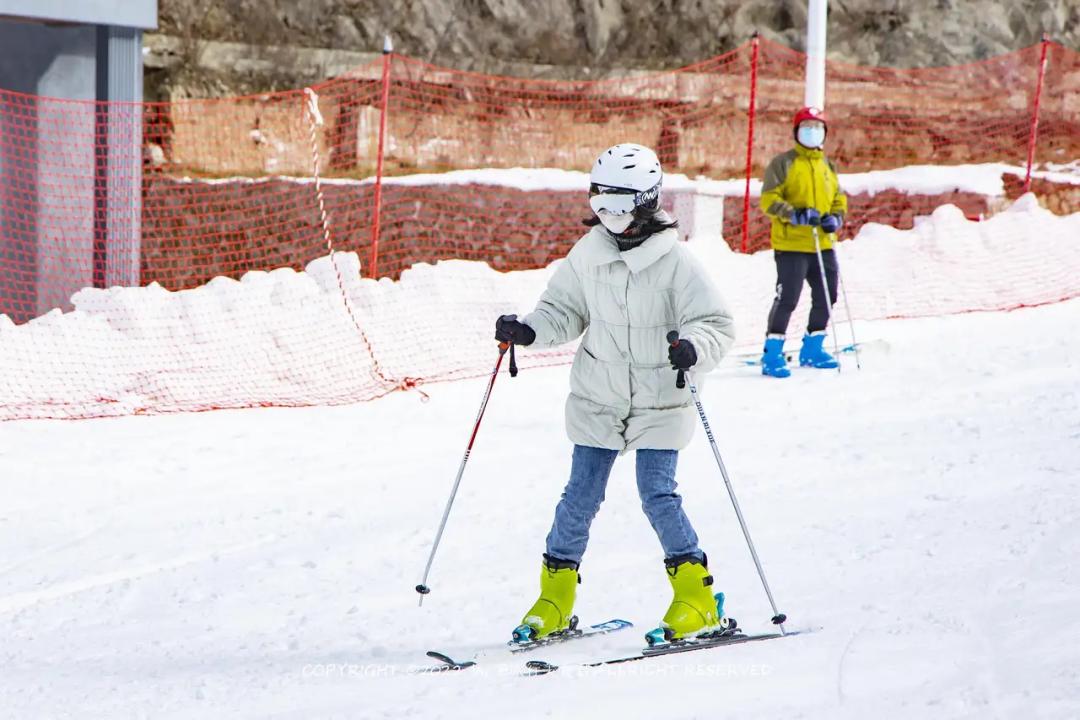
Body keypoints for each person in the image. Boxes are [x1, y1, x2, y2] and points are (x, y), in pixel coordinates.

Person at [494, 143, 736, 644]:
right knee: (578, 497)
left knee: (657, 495)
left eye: (620, 206)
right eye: (599, 205)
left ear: (647, 202)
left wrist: (694, 348)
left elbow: (715, 322)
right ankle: (554, 599)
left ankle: (696, 595)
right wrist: (530, 331)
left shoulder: (676, 263)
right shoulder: (589, 254)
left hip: (659, 399)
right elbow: (563, 309)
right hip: (599, 395)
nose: (609, 218)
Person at [759, 106, 849, 378]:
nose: (813, 131)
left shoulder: (827, 166)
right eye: (806, 127)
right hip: (791, 245)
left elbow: (838, 198)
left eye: (818, 127)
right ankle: (772, 351)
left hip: (821, 243)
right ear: (797, 132)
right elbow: (769, 199)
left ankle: (813, 346)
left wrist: (836, 217)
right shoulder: (783, 163)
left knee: (827, 295)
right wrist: (794, 214)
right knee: (788, 297)